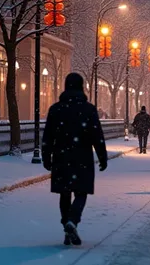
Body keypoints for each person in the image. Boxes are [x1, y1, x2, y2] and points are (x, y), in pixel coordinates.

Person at [42, 72, 108, 247]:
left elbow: (48, 135)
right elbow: (97, 135)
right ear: (81, 87)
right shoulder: (89, 109)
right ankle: (73, 220)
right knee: (81, 192)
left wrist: (45, 156)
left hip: (61, 155)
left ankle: (66, 224)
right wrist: (102, 156)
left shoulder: (56, 109)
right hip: (82, 157)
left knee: (64, 193)